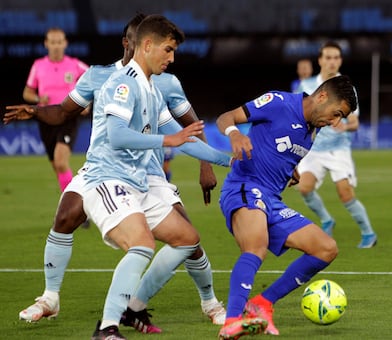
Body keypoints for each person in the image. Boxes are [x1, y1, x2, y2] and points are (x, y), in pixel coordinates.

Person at [6, 13, 227, 330]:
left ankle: (199, 302)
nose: (172, 57)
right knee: (71, 218)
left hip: (145, 173)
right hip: (105, 171)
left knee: (187, 238)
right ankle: (64, 303)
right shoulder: (107, 78)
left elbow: (188, 131)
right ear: (135, 43)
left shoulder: (160, 84)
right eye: (168, 49)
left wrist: (226, 161)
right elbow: (86, 120)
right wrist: (36, 111)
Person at [216, 75, 357, 339]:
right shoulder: (278, 102)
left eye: (341, 118)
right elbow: (226, 117)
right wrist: (233, 134)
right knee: (256, 246)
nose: (336, 122)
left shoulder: (314, 129)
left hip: (272, 200)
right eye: (337, 114)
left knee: (326, 248)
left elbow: (278, 147)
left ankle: (262, 303)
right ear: (322, 96)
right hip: (244, 186)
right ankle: (232, 321)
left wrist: (291, 169)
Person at [295, 41, 377, 248]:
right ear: (321, 60)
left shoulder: (347, 88)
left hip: (338, 149)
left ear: (340, 61)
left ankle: (369, 233)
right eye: (328, 57)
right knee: (304, 188)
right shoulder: (305, 87)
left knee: (345, 193)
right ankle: (326, 219)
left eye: (336, 58)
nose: (332, 62)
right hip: (312, 149)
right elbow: (298, 118)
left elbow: (355, 122)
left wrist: (346, 126)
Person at [23, 27, 89, 192]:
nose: (56, 46)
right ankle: (73, 208)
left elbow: (94, 80)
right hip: (46, 118)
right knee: (57, 166)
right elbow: (27, 93)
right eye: (53, 42)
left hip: (68, 117)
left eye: (59, 42)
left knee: (60, 162)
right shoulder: (38, 66)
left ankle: (75, 208)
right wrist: (38, 99)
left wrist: (86, 103)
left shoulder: (75, 65)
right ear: (46, 44)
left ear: (65, 43)